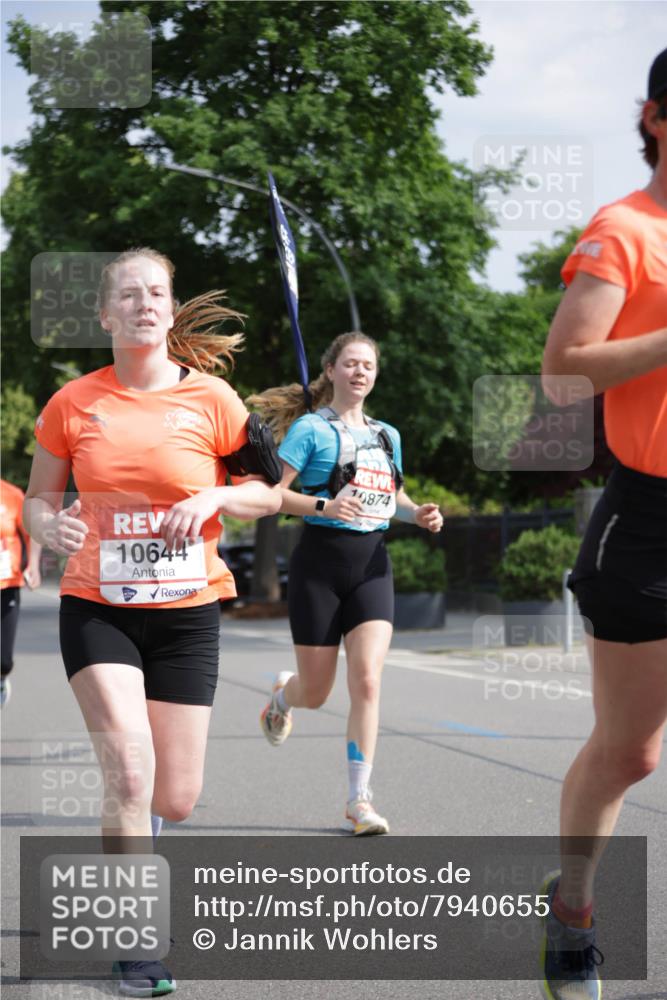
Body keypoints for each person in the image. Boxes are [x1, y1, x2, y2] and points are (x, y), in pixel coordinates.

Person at [23, 247, 281, 997]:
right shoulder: (73, 403)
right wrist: (48, 527)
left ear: (170, 312)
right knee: (129, 772)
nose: (143, 304)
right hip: (97, 605)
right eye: (128, 295)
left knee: (174, 796)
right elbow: (39, 500)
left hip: (188, 611)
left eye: (156, 294)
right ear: (105, 315)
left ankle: (143, 844)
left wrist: (217, 499)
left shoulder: (214, 401)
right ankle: (136, 941)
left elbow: (265, 491)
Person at [539, 48, 667, 1000]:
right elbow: (564, 370)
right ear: (655, 117)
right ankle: (574, 909)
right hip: (652, 521)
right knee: (631, 750)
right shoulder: (624, 230)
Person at [250, 332, 443, 835]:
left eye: (369, 366)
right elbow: (271, 496)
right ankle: (283, 697)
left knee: (368, 681)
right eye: (351, 364)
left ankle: (360, 799)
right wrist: (325, 506)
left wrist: (418, 514)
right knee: (316, 692)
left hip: (373, 566)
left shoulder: (387, 435)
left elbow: (393, 496)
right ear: (331, 369)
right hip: (320, 565)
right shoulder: (310, 430)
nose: (360, 372)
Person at [1, 479, 42, 706]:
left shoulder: (11, 494)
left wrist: (33, 565)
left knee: (3, 661)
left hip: (6, 584)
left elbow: (32, 529)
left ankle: (1, 678)